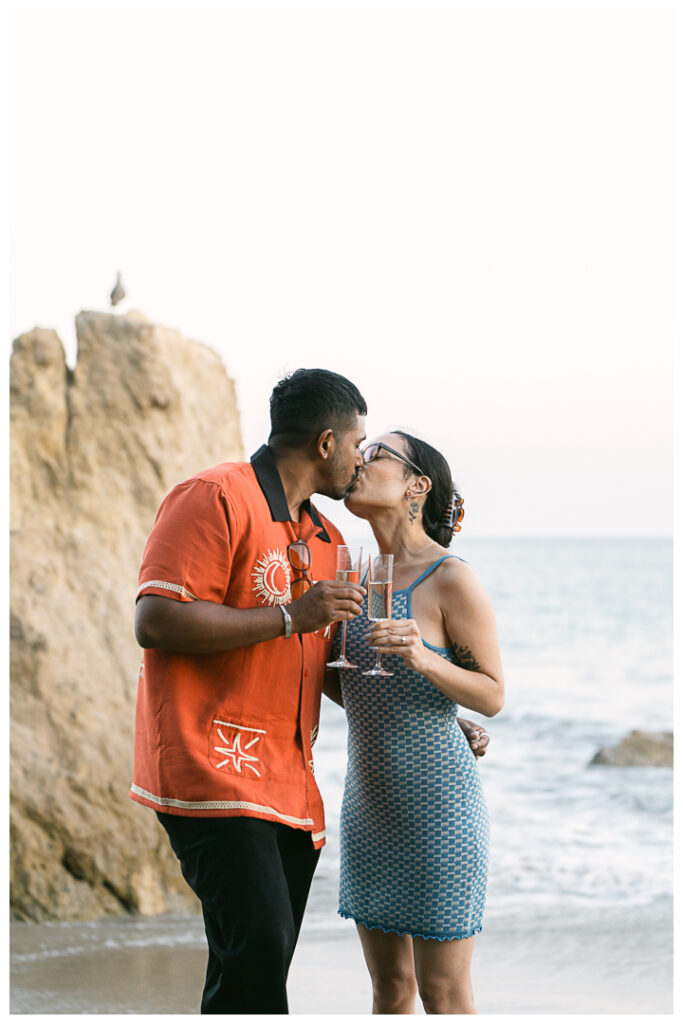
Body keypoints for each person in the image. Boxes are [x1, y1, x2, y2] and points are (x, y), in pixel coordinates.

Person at [131, 370, 490, 1014]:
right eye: (361, 444)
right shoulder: (215, 496)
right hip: (215, 769)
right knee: (262, 950)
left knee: (257, 959)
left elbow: (323, 667)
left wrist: (428, 715)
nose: (362, 459)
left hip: (293, 790)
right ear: (328, 443)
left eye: (378, 451)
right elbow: (154, 622)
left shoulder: (324, 542)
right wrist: (292, 616)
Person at [325, 430, 504, 1015]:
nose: (362, 458)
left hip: (440, 812)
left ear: (416, 487)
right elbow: (349, 684)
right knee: (389, 990)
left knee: (444, 994)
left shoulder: (451, 578)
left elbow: (493, 695)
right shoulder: (352, 575)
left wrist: (424, 657)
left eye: (378, 453)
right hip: (368, 807)